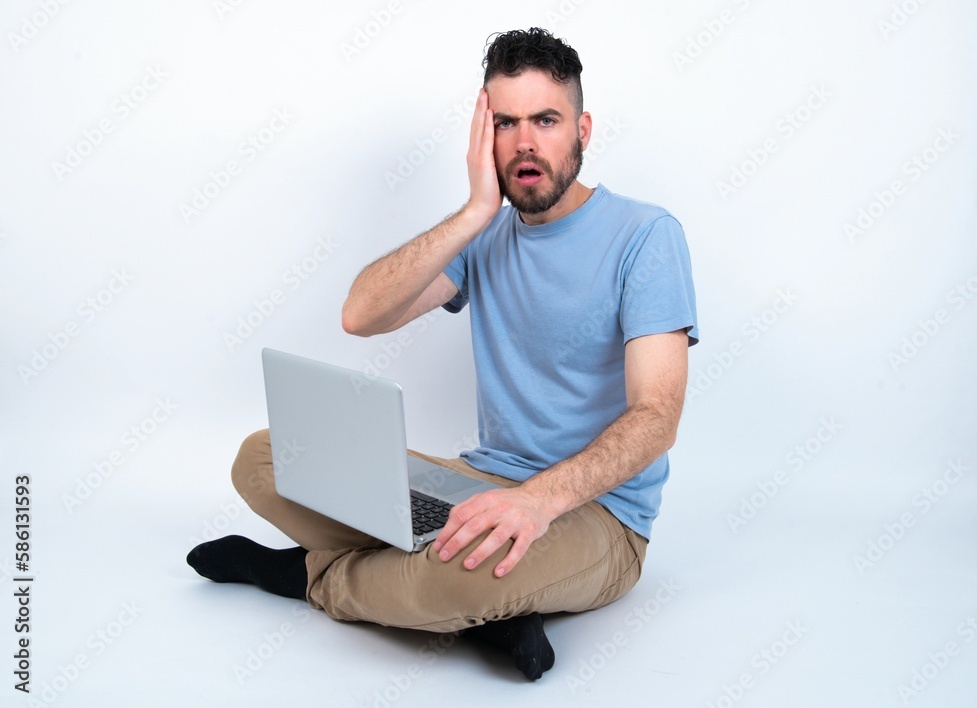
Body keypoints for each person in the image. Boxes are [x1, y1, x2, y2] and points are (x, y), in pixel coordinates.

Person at [187, 27, 698, 681]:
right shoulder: (486, 235)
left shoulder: (645, 236)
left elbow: (657, 415)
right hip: (479, 485)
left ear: (583, 129)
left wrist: (538, 502)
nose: (525, 142)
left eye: (546, 119)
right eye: (506, 123)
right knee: (264, 456)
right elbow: (360, 315)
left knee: (464, 580)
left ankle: (303, 573)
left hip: (596, 514)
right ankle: (489, 610)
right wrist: (475, 209)